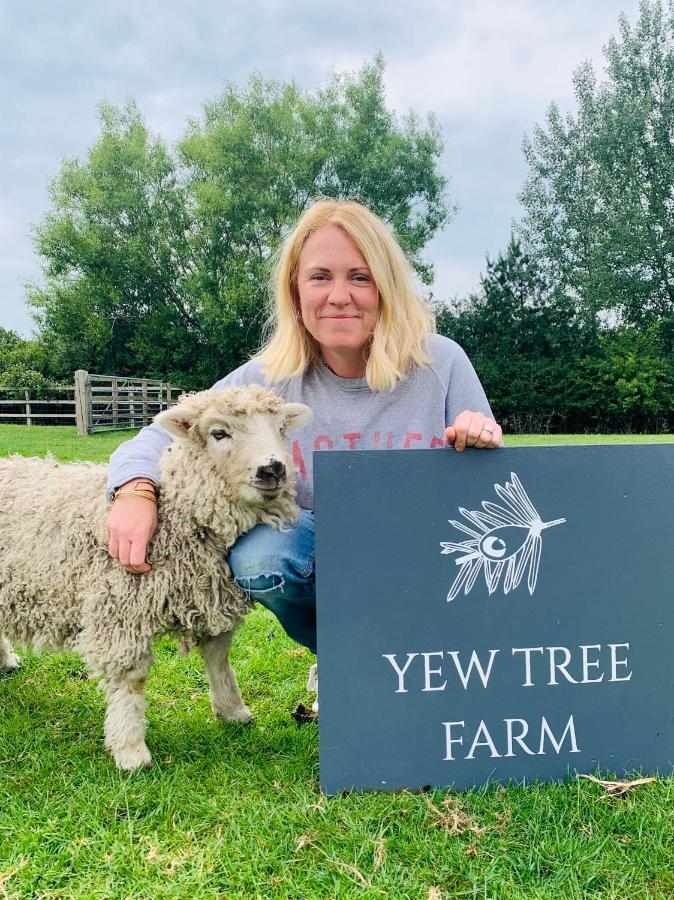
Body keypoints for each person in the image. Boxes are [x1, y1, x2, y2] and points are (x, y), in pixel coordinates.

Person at [106, 198, 503, 711]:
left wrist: (478, 438)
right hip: (327, 552)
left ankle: (426, 657)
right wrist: (136, 489)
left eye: (360, 277)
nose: (340, 296)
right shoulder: (268, 376)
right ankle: (342, 658)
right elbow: (160, 435)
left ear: (386, 287)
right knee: (264, 556)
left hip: (425, 553)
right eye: (320, 277)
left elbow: (493, 490)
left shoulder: (440, 361)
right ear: (296, 290)